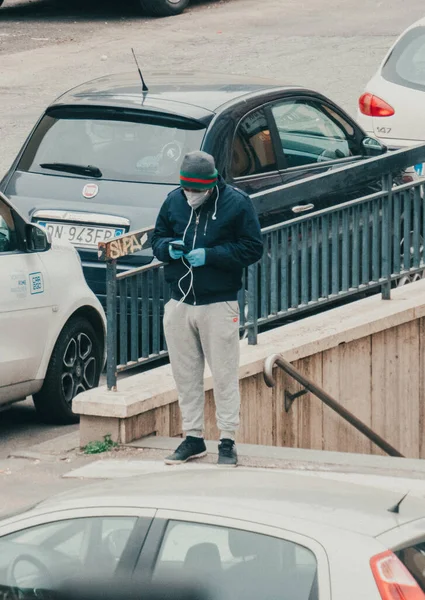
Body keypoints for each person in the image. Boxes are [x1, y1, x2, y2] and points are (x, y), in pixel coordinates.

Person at [152, 151, 263, 467]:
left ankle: (227, 440)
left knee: (224, 374)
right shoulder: (173, 201)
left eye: (197, 190)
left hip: (218, 301)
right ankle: (193, 437)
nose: (191, 196)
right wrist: (168, 249)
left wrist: (212, 255)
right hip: (180, 300)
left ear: (212, 184)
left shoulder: (237, 204)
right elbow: (157, 238)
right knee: (185, 375)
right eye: (187, 189)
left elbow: (253, 247)